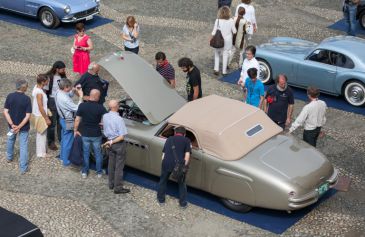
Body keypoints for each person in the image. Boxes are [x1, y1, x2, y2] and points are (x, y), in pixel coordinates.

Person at [74, 89, 107, 178]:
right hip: (96, 134)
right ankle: (99, 172)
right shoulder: (101, 107)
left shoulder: (82, 106)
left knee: (86, 153)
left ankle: (85, 172)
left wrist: (75, 130)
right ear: (96, 97)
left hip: (85, 133)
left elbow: (77, 119)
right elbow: (106, 119)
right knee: (98, 153)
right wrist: (102, 123)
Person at [157, 126, 191, 208]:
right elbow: (187, 155)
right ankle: (182, 204)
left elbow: (164, 154)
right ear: (184, 134)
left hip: (166, 162)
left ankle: (161, 200)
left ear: (175, 133)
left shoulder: (169, 139)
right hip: (179, 165)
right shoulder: (187, 140)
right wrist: (184, 166)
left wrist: (164, 163)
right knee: (181, 183)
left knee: (163, 180)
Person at [4, 80, 32, 174]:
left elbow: (5, 112)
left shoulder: (10, 96)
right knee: (23, 145)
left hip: (11, 125)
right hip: (23, 127)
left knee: (10, 140)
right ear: (24, 88)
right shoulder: (27, 99)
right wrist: (19, 126)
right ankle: (23, 167)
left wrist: (12, 125)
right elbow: (27, 115)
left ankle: (9, 157)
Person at [102, 100, 129, 194]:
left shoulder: (105, 116)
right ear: (117, 106)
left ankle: (111, 184)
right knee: (119, 167)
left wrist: (109, 141)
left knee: (111, 164)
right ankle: (118, 188)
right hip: (118, 143)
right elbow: (121, 136)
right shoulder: (119, 119)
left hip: (109, 142)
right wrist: (112, 141)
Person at [55, 78, 83, 167]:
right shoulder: (64, 99)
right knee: (68, 140)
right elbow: (77, 108)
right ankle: (66, 161)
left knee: (64, 139)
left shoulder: (58, 92)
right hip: (68, 120)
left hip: (62, 119)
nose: (71, 88)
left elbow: (68, 95)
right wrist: (81, 97)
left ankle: (62, 157)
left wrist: (73, 90)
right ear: (65, 87)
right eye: (70, 87)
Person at [45, 61, 66, 151]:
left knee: (60, 121)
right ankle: (51, 142)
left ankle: (61, 139)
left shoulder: (63, 76)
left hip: (61, 100)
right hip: (52, 101)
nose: (64, 70)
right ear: (57, 69)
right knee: (52, 123)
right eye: (62, 69)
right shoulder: (49, 77)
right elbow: (46, 91)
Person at [211, 6, 237, 76]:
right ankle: (224, 71)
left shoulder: (218, 20)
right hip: (227, 41)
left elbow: (213, 32)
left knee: (217, 54)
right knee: (225, 55)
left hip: (218, 40)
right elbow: (234, 31)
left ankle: (216, 69)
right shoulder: (231, 20)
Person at [32, 74, 52, 158]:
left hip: (36, 114)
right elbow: (40, 106)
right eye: (47, 81)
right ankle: (42, 153)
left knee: (40, 134)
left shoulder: (36, 87)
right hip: (40, 115)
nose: (48, 82)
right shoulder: (39, 92)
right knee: (42, 134)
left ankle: (40, 152)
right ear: (43, 82)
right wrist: (46, 118)